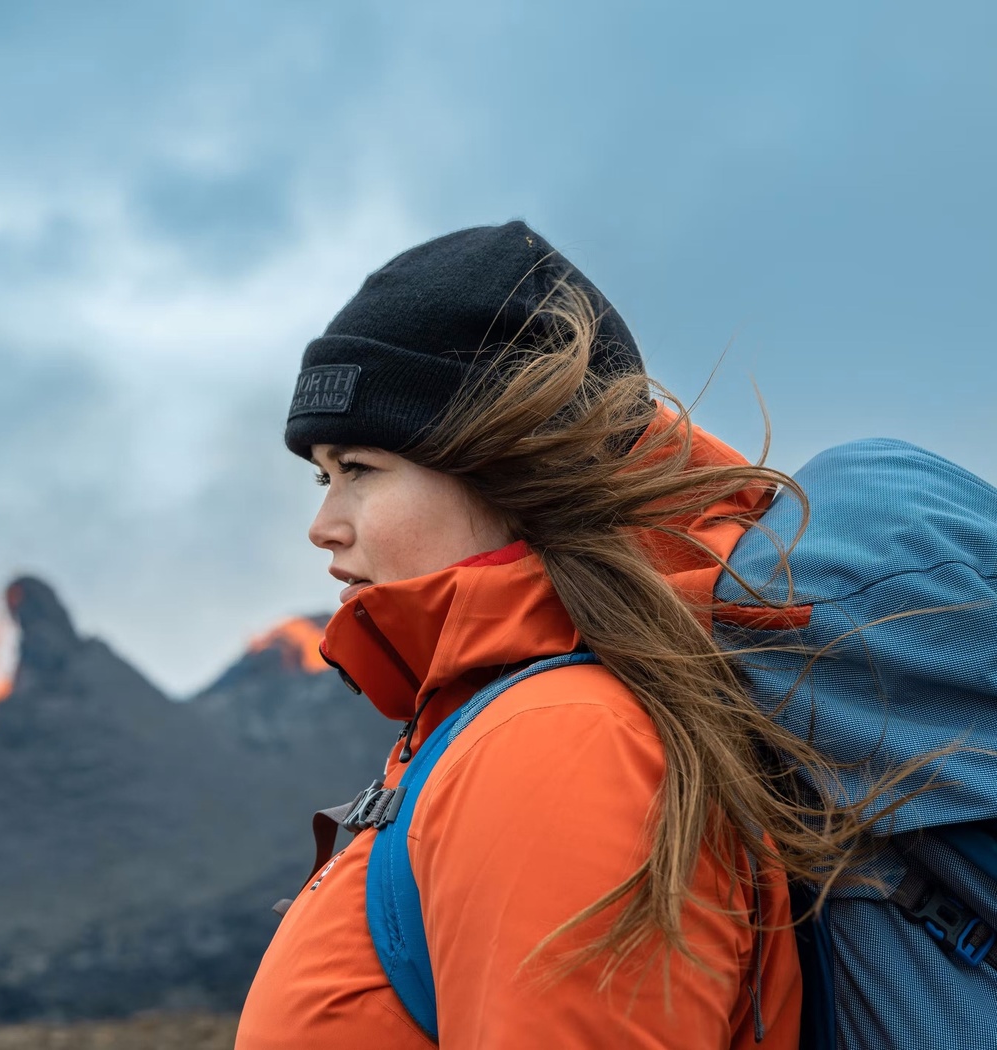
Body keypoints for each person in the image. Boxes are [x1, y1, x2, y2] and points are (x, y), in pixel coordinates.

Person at [233, 221, 847, 1048]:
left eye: (360, 471)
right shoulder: (500, 723)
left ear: (509, 468)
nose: (324, 525)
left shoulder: (561, 744)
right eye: (322, 475)